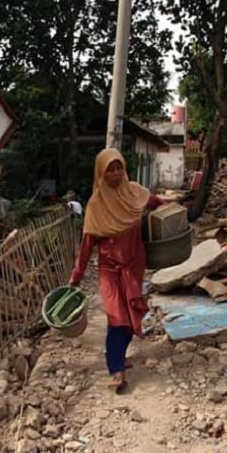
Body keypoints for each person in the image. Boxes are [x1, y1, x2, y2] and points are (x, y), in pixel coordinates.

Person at [69, 148, 162, 394]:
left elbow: (155, 203)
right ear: (101, 172)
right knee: (116, 316)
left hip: (133, 265)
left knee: (131, 316)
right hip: (110, 269)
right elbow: (86, 246)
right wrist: (76, 277)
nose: (115, 172)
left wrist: (174, 212)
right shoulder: (96, 205)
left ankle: (118, 356)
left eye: (118, 166)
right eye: (110, 168)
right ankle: (116, 368)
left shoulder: (135, 193)